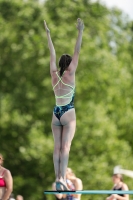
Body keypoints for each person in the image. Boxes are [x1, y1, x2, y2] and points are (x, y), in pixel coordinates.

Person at [44, 18, 84, 191]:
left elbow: (51, 53)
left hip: (56, 113)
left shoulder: (54, 74)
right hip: (68, 112)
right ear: (69, 64)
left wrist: (48, 34)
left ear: (60, 64)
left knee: (57, 148)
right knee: (65, 147)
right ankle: (62, 178)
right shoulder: (70, 73)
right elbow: (77, 51)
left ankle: (58, 178)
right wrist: (80, 31)